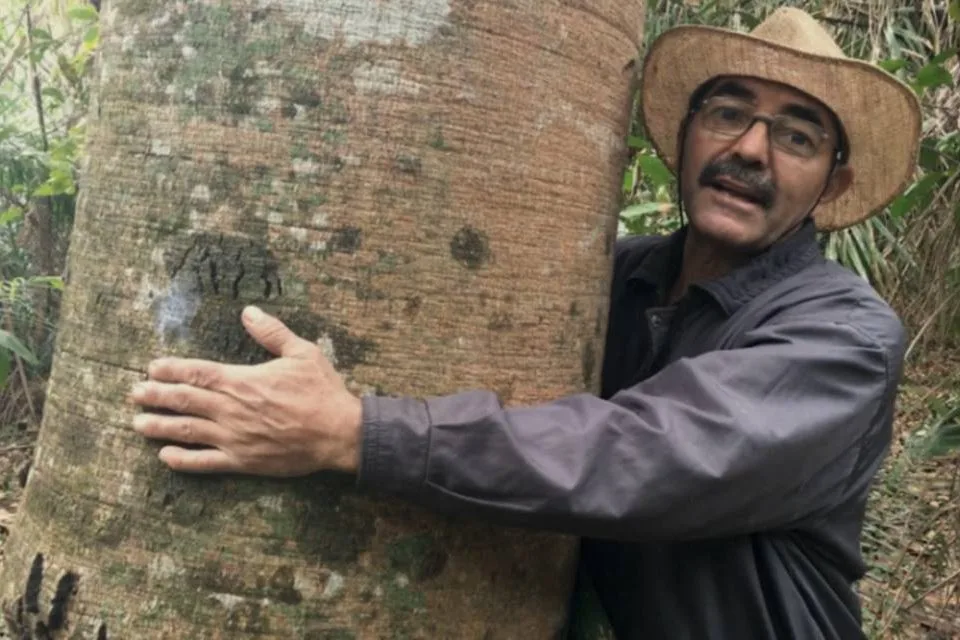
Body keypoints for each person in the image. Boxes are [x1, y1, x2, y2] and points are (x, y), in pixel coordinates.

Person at [129, 8, 922, 639]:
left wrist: (352, 432)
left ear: (832, 180)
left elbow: (646, 457)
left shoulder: (844, 336)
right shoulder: (612, 274)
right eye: (727, 113)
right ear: (683, 136)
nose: (750, 150)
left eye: (796, 136)